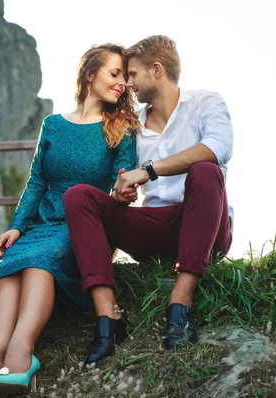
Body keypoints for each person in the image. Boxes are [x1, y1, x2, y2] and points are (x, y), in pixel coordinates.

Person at [0, 43, 139, 398]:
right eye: (114, 73)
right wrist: (17, 225)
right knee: (9, 270)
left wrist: (124, 193)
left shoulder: (120, 127)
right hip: (42, 223)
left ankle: (20, 356)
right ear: (90, 74)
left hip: (83, 227)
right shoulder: (53, 125)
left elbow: (122, 182)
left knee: (39, 264)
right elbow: (37, 182)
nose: (122, 83)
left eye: (125, 76)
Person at [64, 35, 234, 364]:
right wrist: (122, 192)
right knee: (79, 197)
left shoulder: (206, 103)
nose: (127, 84)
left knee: (205, 170)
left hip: (205, 226)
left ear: (156, 70)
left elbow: (218, 148)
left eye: (132, 74)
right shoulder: (131, 126)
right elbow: (125, 178)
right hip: (153, 228)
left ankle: (179, 307)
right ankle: (108, 318)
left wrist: (149, 171)